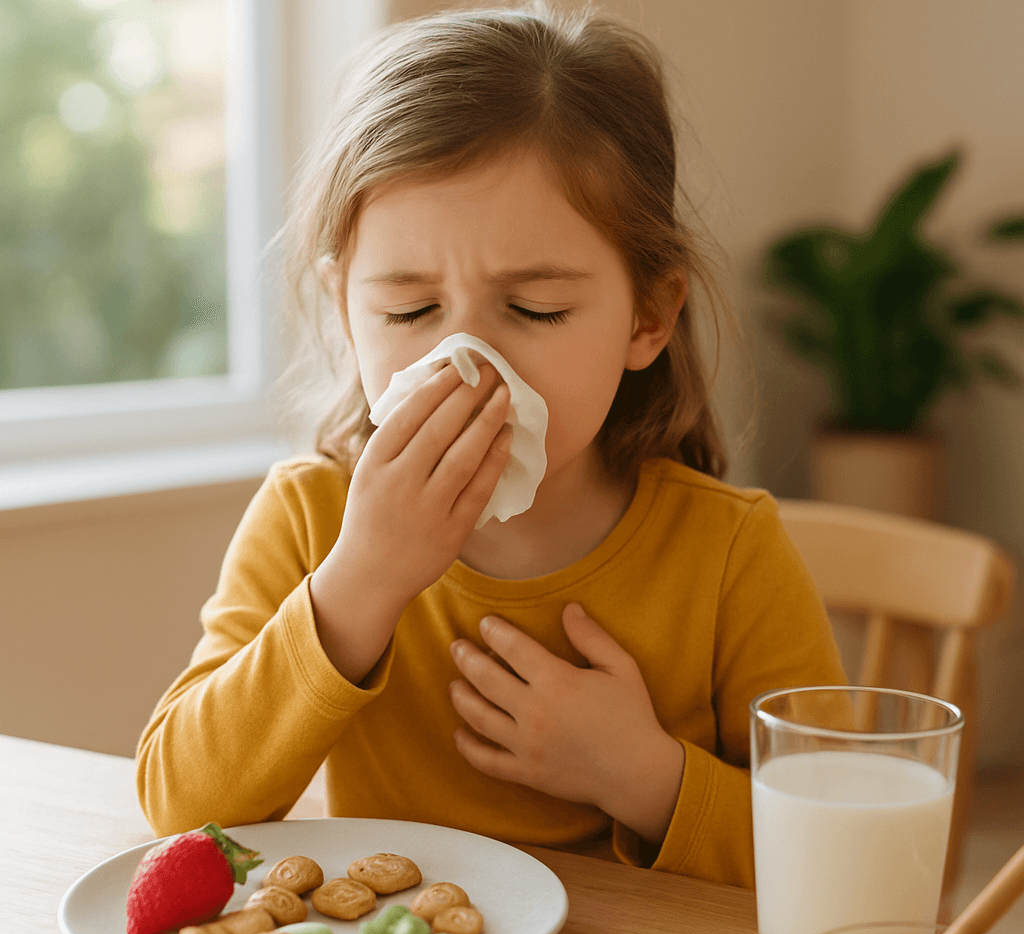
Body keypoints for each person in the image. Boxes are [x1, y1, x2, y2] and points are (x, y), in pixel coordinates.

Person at [136, 2, 846, 888]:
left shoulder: (729, 554)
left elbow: (844, 863)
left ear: (649, 316)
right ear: (345, 309)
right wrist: (359, 584)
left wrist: (645, 778)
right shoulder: (311, 518)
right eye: (408, 312)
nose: (466, 366)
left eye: (535, 309)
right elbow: (180, 807)